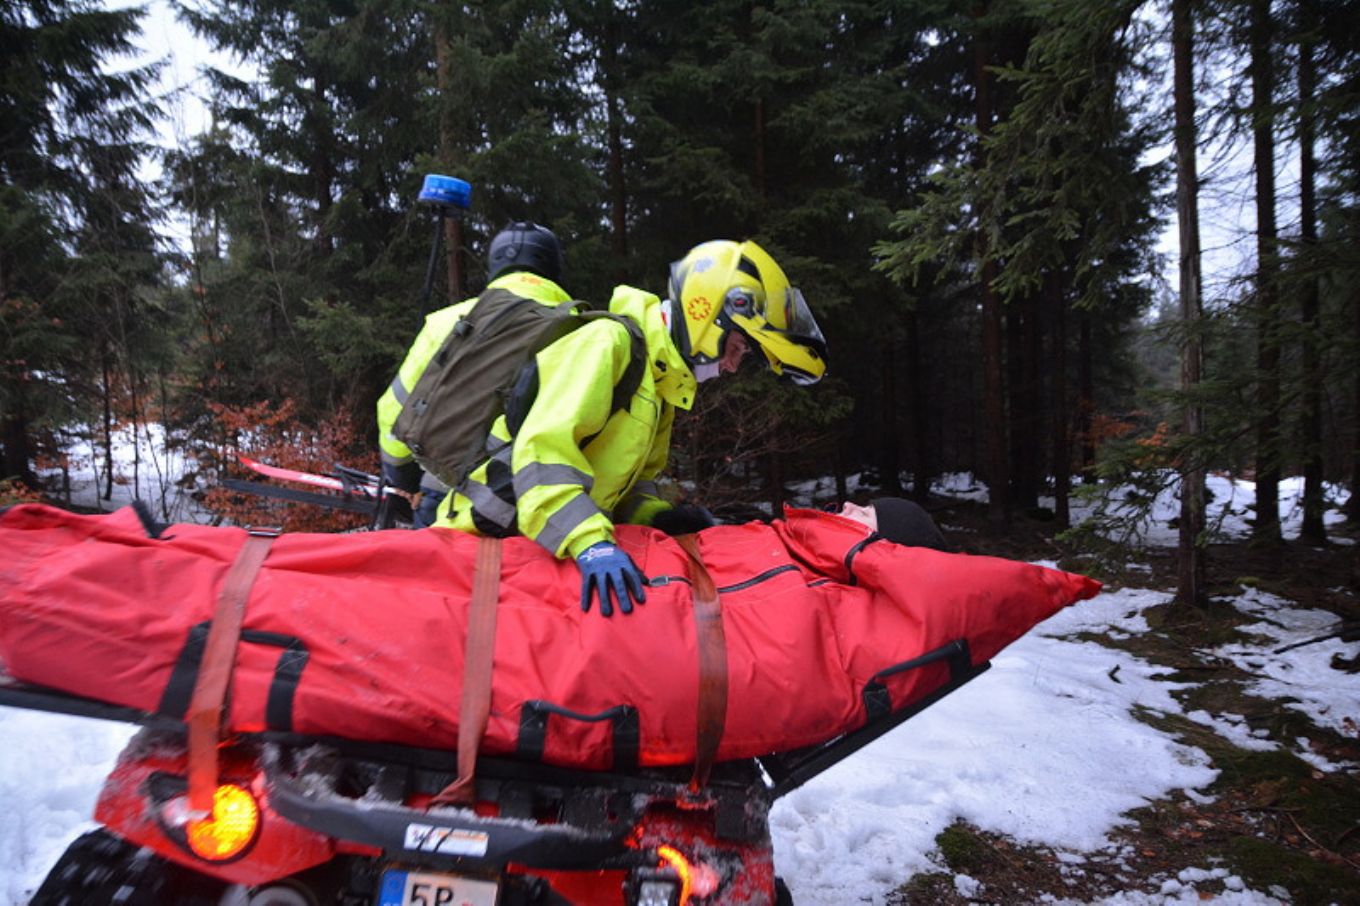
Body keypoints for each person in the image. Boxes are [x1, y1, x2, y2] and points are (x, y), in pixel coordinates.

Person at [380, 234, 828, 619]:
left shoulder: (659, 385)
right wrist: (590, 543)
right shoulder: (609, 343)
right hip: (482, 543)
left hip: (530, 551)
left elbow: (624, 489)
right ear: (709, 314)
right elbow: (542, 456)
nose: (733, 365)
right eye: (737, 346)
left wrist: (666, 517)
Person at [378, 222, 569, 529]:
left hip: (447, 499)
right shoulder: (578, 327)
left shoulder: (446, 321)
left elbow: (395, 409)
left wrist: (404, 477)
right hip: (546, 508)